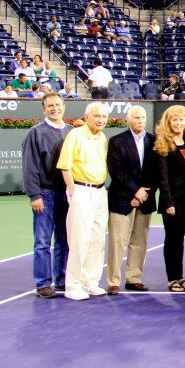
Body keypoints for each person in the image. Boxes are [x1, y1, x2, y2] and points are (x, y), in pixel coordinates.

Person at [56, 102, 110, 301]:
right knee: (79, 239)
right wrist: (72, 190)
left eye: (104, 117)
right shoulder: (76, 135)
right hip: (81, 190)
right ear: (87, 117)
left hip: (100, 191)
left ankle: (91, 281)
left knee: (97, 239)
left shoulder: (102, 137)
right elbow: (65, 166)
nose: (101, 120)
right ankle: (73, 285)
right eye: (97, 116)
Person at [22, 92, 72, 298]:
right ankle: (43, 283)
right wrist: (35, 195)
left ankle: (61, 280)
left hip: (66, 194)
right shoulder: (35, 133)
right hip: (45, 193)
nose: (55, 108)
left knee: (64, 240)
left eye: (58, 105)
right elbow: (29, 167)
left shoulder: (71, 131)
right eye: (50, 105)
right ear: (44, 109)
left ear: (63, 107)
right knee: (42, 241)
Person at [105, 106, 157, 295]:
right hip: (121, 200)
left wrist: (142, 194)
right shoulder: (116, 141)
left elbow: (155, 172)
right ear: (128, 119)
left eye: (142, 117)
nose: (140, 120)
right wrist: (135, 192)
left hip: (145, 201)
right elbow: (116, 172)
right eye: (136, 117)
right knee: (118, 242)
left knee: (139, 242)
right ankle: (113, 281)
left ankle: (133, 278)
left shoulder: (154, 141)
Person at [154, 106, 185, 292]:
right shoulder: (163, 143)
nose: (178, 123)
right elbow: (163, 178)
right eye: (175, 120)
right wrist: (168, 202)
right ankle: (172, 278)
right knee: (171, 239)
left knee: (179, 239)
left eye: (182, 120)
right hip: (171, 201)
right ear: (168, 122)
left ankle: (180, 277)